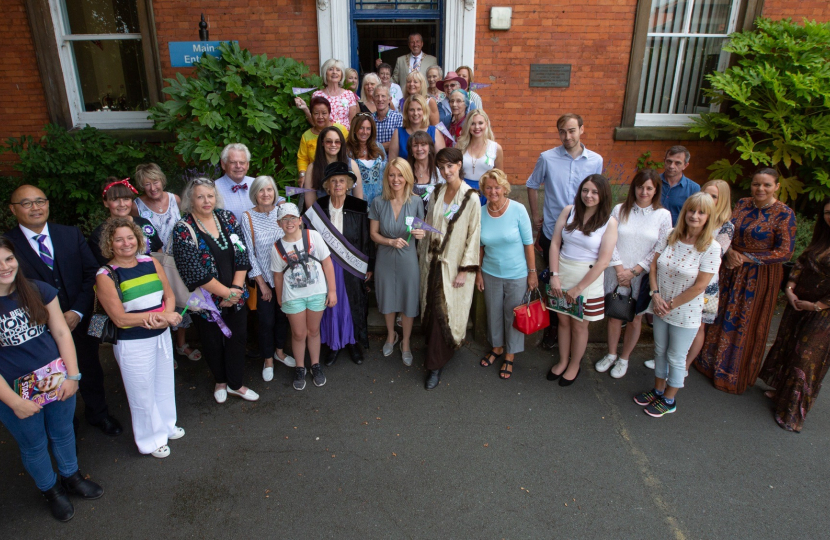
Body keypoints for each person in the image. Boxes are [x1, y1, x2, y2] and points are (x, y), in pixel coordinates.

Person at [5, 185, 123, 436]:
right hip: (38, 329)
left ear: (48, 204)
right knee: (49, 378)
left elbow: (92, 273)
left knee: (89, 367)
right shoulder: (8, 246)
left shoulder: (70, 234)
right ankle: (64, 427)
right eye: (27, 203)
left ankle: (98, 413)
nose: (35, 207)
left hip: (78, 319)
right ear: (13, 209)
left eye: (40, 201)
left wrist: (78, 312)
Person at [0, 237, 103, 522]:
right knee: (33, 444)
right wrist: (14, 402)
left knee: (63, 432)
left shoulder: (38, 290)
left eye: (8, 259)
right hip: (13, 392)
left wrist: (73, 376)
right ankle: (51, 490)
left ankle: (71, 477)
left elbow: (61, 333)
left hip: (55, 379)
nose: (4, 267)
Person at [696, 168, 797, 394]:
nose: (760, 189)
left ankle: (732, 374)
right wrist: (729, 251)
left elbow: (785, 252)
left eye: (766, 185)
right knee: (720, 315)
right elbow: (725, 228)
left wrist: (746, 258)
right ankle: (708, 364)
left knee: (744, 321)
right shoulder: (742, 204)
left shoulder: (784, 213)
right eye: (756, 184)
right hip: (730, 269)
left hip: (758, 277)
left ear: (777, 186)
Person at [94, 218, 184, 458]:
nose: (126, 243)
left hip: (161, 334)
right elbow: (120, 318)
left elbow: (169, 294)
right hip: (133, 341)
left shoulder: (151, 261)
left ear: (138, 239)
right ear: (110, 244)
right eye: (119, 239)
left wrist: (165, 316)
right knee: (141, 392)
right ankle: (149, 440)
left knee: (164, 383)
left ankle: (166, 425)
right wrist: (154, 318)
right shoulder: (105, 274)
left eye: (130, 237)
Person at [634, 193, 722, 417]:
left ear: (709, 216)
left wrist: (670, 304)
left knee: (676, 356)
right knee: (659, 351)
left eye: (701, 212)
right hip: (660, 304)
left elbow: (700, 286)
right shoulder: (671, 235)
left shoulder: (711, 248)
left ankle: (670, 399)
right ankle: (658, 390)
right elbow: (653, 267)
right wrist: (655, 295)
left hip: (684, 312)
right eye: (691, 210)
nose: (695, 215)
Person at [171, 178, 257, 403]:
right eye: (200, 196)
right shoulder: (183, 228)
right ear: (191, 199)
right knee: (211, 341)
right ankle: (220, 380)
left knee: (238, 339)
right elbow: (193, 271)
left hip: (235, 295)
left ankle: (236, 384)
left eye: (210, 196)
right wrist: (225, 293)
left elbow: (242, 253)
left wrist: (235, 289)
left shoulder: (227, 218)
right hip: (205, 300)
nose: (206, 201)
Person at [526, 113, 603, 350]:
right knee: (553, 281)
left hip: (583, 235)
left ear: (581, 129)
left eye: (571, 130)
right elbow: (531, 184)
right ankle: (554, 329)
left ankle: (573, 325)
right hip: (552, 232)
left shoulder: (595, 160)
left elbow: (597, 193)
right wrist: (535, 215)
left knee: (575, 280)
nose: (567, 136)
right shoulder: (547, 158)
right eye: (562, 131)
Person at [760, 200, 830, 432]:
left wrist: (818, 305)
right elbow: (800, 262)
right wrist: (789, 289)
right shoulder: (821, 239)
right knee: (790, 348)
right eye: (828, 212)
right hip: (798, 304)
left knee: (806, 359)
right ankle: (782, 394)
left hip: (823, 313)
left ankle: (793, 413)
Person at [596, 169, 671, 379]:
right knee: (613, 315)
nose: (644, 192)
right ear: (634, 188)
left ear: (655, 190)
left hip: (642, 275)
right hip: (616, 271)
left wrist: (635, 271)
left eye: (649, 188)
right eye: (640, 187)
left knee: (635, 318)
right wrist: (620, 269)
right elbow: (609, 239)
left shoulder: (663, 216)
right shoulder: (620, 210)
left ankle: (624, 358)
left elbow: (660, 248)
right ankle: (611, 354)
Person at [418, 148, 481, 390]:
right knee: (432, 309)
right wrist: (422, 231)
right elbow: (433, 224)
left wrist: (465, 269)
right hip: (433, 261)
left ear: (459, 164)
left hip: (454, 266)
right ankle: (436, 353)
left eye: (450, 166)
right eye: (441, 168)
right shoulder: (437, 191)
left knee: (446, 312)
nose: (445, 171)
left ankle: (434, 366)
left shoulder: (471, 197)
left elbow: (474, 235)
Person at [546, 174, 618, 386]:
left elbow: (604, 261)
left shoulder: (609, 222)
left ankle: (574, 364)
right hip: (562, 273)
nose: (589, 195)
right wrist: (554, 276)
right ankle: (562, 360)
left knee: (579, 326)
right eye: (585, 190)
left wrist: (578, 288)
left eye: (595, 192)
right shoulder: (569, 211)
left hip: (587, 280)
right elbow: (555, 244)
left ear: (603, 194)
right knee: (563, 321)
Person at [132, 163, 200, 361]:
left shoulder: (175, 199)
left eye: (155, 182)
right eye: (147, 184)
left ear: (162, 180)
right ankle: (164, 350)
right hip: (152, 262)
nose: (153, 188)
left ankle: (181, 344)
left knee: (180, 300)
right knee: (159, 303)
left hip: (178, 259)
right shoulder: (137, 206)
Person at [475, 169, 536, 379]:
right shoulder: (481, 212)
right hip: (490, 272)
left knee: (513, 315)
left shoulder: (518, 210)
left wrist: (532, 273)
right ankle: (497, 347)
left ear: (504, 188)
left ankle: (510, 354)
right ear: (483, 190)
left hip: (517, 273)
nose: (493, 191)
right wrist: (479, 273)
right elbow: (480, 246)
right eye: (489, 187)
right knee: (493, 313)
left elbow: (529, 244)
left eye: (497, 187)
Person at [271, 203, 336, 391]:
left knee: (313, 330)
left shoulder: (312, 237)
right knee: (298, 333)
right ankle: (300, 366)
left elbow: (327, 263)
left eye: (293, 218)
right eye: (285, 219)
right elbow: (277, 275)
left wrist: (332, 290)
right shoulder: (277, 247)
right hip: (293, 295)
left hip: (316, 292)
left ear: (300, 220)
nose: (289, 222)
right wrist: (279, 298)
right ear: (279, 223)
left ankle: (315, 364)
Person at [313, 162, 373, 366]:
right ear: (327, 186)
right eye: (333, 181)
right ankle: (332, 344)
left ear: (348, 184)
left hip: (352, 265)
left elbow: (366, 238)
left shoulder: (359, 207)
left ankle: (353, 343)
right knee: (331, 306)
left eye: (341, 181)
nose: (337, 184)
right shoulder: (318, 208)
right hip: (326, 267)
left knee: (352, 305)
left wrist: (369, 266)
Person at [239, 176, 296, 383]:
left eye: (270, 190)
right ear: (255, 194)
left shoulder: (282, 212)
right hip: (264, 280)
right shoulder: (247, 217)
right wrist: (262, 284)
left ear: (275, 193)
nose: (266, 194)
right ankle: (268, 359)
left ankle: (279, 352)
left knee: (283, 318)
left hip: (287, 279)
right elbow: (248, 253)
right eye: (261, 190)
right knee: (265, 322)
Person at [369, 159, 425, 366]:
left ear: (407, 177)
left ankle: (407, 342)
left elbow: (422, 231)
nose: (396, 179)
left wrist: (421, 233)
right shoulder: (378, 202)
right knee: (387, 298)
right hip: (385, 256)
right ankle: (391, 335)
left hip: (408, 258)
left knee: (408, 299)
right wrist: (390, 241)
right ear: (387, 177)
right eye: (392, 175)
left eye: (400, 175)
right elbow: (373, 234)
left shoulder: (416, 202)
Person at [683, 180, 733, 370]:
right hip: (682, 278)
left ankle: (686, 364)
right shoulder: (693, 218)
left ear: (722, 200)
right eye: (706, 193)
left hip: (705, 282)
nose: (709, 199)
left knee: (698, 325)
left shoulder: (726, 226)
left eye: (714, 196)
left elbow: (715, 255)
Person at [88, 178, 163, 266]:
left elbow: (158, 251)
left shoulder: (144, 223)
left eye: (126, 199)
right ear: (106, 203)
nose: (122, 204)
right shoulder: (99, 234)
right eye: (115, 199)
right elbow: (104, 266)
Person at [215, 143, 285, 222]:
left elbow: (277, 199)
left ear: (247, 165)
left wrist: (284, 210)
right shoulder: (214, 188)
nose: (238, 166)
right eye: (233, 162)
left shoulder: (256, 182)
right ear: (223, 164)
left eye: (242, 162)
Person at [303, 126, 363, 208]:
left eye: (337, 142)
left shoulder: (352, 165)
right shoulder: (313, 168)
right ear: (322, 143)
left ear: (341, 144)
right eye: (329, 141)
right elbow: (310, 204)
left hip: (349, 215)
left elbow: (359, 198)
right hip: (322, 216)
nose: (333, 145)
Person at [296, 96, 349, 184]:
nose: (320, 117)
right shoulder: (306, 136)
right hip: (314, 178)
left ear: (329, 113)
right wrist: (302, 175)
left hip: (339, 178)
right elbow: (302, 158)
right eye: (316, 113)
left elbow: (349, 151)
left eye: (324, 113)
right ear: (311, 115)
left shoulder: (341, 130)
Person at [457, 109, 504, 204]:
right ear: (468, 126)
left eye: (480, 123)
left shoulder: (495, 148)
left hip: (487, 193)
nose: (477, 127)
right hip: (463, 192)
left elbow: (500, 178)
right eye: (473, 123)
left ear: (486, 124)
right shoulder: (459, 147)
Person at [346, 113, 387, 206]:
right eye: (361, 128)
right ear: (354, 129)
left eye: (368, 128)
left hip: (380, 202)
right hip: (357, 202)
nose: (365, 132)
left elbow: (386, 172)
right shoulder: (347, 151)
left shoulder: (379, 147)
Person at [388, 95, 445, 161]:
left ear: (424, 111)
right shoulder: (398, 133)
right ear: (406, 112)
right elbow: (392, 162)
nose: (415, 113)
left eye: (419, 109)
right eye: (412, 110)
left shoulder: (435, 132)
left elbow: (442, 161)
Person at [304, 59, 358, 128]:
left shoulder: (349, 94)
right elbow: (314, 122)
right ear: (325, 73)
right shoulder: (317, 95)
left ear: (341, 74)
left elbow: (352, 121)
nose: (334, 72)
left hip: (345, 136)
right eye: (331, 69)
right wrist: (305, 109)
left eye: (338, 70)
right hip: (325, 136)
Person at [660, 145, 700, 225]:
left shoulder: (693, 188)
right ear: (664, 161)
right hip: (651, 232)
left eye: (677, 163)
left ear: (685, 165)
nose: (671, 166)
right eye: (669, 161)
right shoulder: (653, 182)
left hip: (677, 233)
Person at [372, 85, 403, 151]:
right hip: (374, 159)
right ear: (373, 99)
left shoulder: (398, 118)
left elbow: (399, 142)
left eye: (383, 96)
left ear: (389, 99)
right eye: (377, 96)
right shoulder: (369, 119)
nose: (380, 99)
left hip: (393, 158)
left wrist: (375, 147)